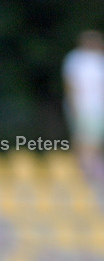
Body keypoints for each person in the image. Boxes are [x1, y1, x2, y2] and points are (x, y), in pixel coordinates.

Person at [63, 31, 104, 176]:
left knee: (95, 139)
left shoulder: (100, 59)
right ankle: (84, 168)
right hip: (84, 106)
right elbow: (70, 84)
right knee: (84, 138)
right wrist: (74, 105)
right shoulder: (76, 59)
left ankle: (94, 167)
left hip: (98, 107)